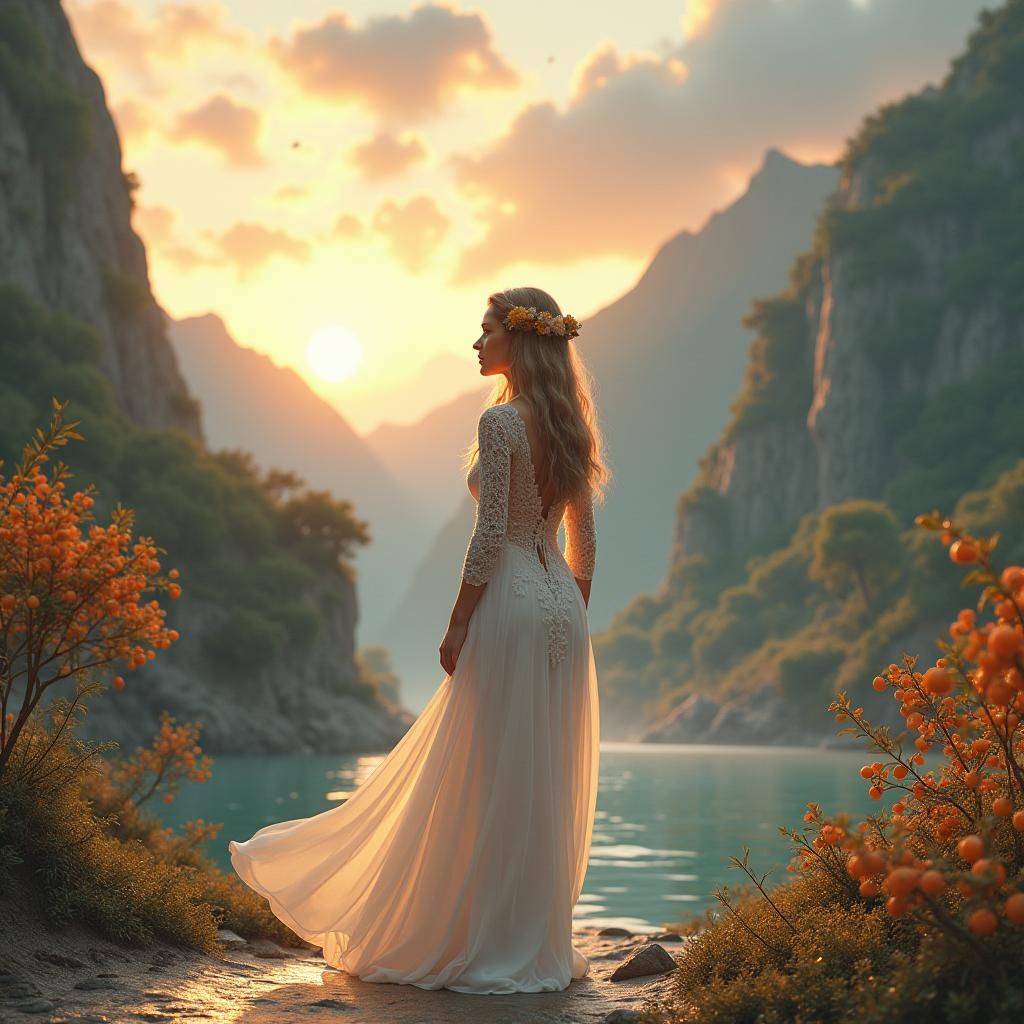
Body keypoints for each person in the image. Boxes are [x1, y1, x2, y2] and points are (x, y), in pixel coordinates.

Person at [228, 285, 609, 994]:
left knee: (483, 771)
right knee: (536, 779)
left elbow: (490, 534)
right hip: (560, 606)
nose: (476, 342)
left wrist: (460, 618)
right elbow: (585, 541)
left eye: (486, 329)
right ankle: (531, 944)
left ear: (517, 341)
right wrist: (572, 612)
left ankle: (476, 939)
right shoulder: (570, 428)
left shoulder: (501, 426)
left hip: (510, 605)